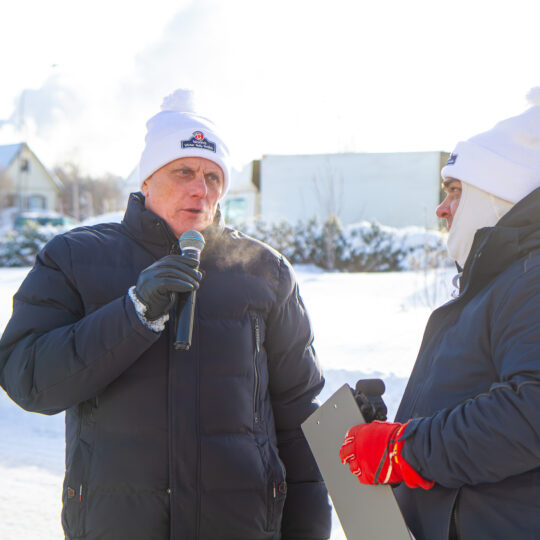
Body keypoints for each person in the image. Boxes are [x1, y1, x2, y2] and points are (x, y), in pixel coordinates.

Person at [0, 89, 331, 540]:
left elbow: (299, 416)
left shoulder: (264, 271)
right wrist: (134, 313)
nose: (201, 189)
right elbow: (27, 379)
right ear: (147, 180)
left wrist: (308, 531)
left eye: (213, 177)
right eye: (184, 172)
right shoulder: (74, 258)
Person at [339, 88, 540, 540]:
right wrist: (396, 432)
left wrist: (406, 449)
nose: (441, 208)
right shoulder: (498, 282)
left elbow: (531, 410)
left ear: (497, 194)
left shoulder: (532, 278)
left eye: (455, 191)